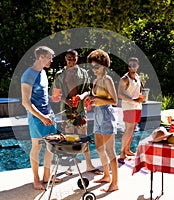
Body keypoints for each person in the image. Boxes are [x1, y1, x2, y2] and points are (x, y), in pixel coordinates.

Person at [52, 49, 101, 175]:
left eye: (74, 59)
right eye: (69, 59)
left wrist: (80, 96)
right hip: (66, 111)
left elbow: (88, 91)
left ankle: (89, 164)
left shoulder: (83, 73)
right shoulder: (60, 74)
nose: (72, 61)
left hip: (80, 110)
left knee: (83, 137)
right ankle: (70, 166)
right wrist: (65, 100)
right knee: (69, 138)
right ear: (65, 59)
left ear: (77, 58)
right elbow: (55, 95)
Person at [21, 46, 61, 190]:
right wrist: (41, 117)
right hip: (36, 117)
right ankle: (36, 180)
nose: (52, 60)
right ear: (41, 57)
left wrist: (53, 98)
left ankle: (47, 176)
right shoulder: (28, 75)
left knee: (50, 146)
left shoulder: (43, 72)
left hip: (48, 114)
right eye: (50, 57)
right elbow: (25, 101)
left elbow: (41, 95)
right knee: (36, 147)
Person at [86, 49, 119, 192]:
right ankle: (106, 175)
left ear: (104, 66)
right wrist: (90, 100)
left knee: (110, 150)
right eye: (92, 66)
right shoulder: (95, 81)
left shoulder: (107, 80)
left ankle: (115, 183)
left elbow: (115, 101)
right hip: (97, 114)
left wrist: (97, 99)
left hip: (106, 113)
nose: (94, 69)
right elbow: (96, 99)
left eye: (96, 66)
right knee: (100, 149)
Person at [117, 57, 144, 161]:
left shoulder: (137, 77)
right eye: (130, 65)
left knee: (132, 129)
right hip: (129, 107)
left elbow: (138, 91)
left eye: (134, 65)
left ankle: (127, 150)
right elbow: (120, 94)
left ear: (138, 66)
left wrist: (141, 98)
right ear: (128, 66)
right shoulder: (124, 79)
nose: (132, 67)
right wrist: (134, 100)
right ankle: (122, 153)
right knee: (128, 129)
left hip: (137, 106)